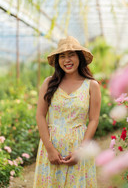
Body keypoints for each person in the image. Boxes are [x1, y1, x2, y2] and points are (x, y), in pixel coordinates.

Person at [33, 36, 101, 188]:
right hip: (51, 146)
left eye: (71, 55)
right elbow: (40, 115)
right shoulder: (49, 83)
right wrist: (50, 149)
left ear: (79, 57)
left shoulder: (91, 85)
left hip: (78, 147)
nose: (67, 60)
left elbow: (94, 120)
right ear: (57, 60)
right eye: (62, 56)